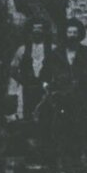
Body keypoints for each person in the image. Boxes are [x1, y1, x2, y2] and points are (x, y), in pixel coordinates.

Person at [39, 18, 87, 173]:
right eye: (69, 32)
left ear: (80, 34)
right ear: (65, 34)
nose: (72, 36)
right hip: (61, 100)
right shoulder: (56, 54)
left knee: (83, 133)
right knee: (61, 134)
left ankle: (85, 168)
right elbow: (44, 75)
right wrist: (48, 88)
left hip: (82, 100)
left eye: (75, 33)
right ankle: (62, 169)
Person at [9, 18, 61, 156]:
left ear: (44, 31)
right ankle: (30, 155)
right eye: (34, 29)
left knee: (46, 120)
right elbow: (13, 69)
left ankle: (46, 155)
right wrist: (24, 81)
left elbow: (60, 70)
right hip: (29, 90)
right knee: (29, 120)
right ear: (30, 31)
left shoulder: (53, 49)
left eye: (40, 29)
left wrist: (51, 84)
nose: (37, 32)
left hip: (46, 91)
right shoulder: (23, 49)